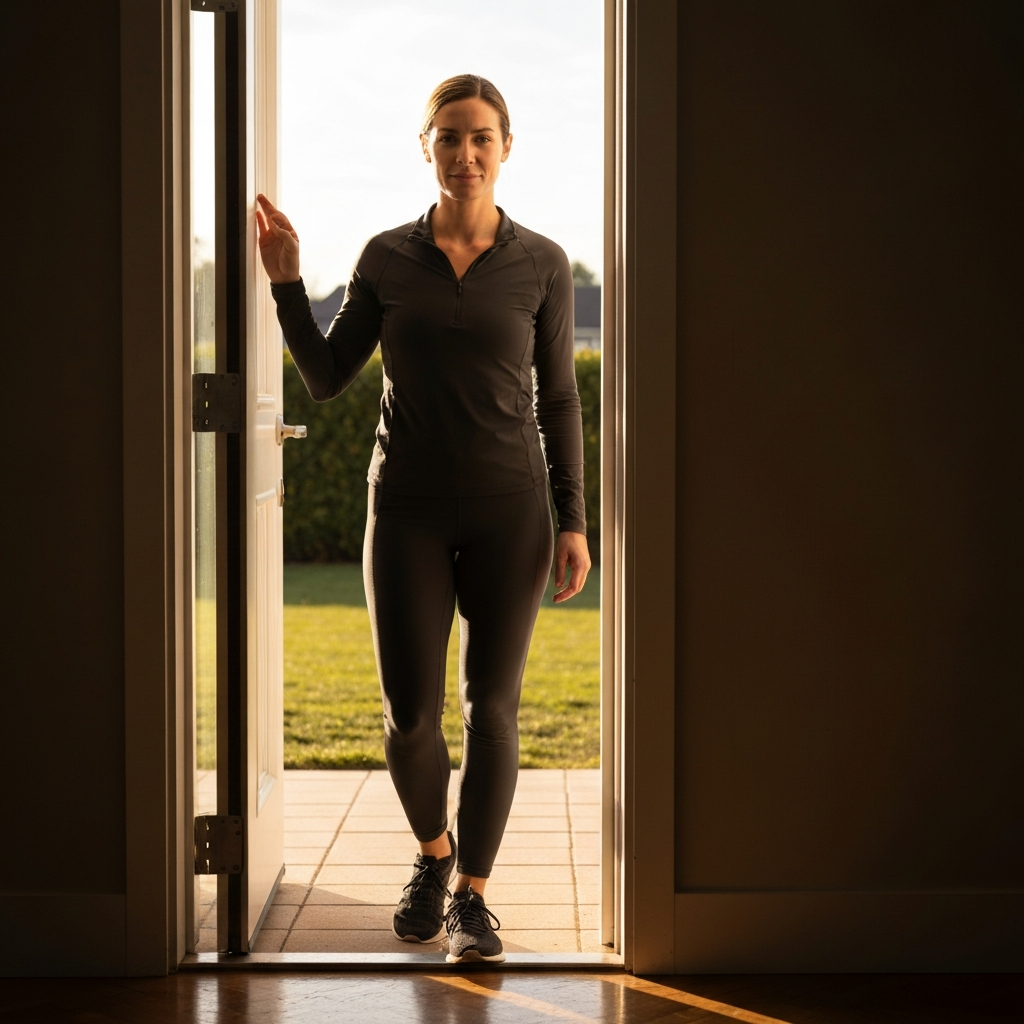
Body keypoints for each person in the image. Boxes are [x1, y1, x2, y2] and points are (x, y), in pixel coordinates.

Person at [256, 74, 590, 964]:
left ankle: (473, 897)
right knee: (410, 718)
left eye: (481, 138)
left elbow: (559, 399)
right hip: (401, 506)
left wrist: (573, 520)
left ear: (506, 147)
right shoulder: (385, 257)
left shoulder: (542, 263)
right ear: (426, 147)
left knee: (494, 708)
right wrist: (289, 286)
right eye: (448, 137)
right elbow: (328, 378)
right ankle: (433, 857)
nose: (465, 154)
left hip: (509, 510)